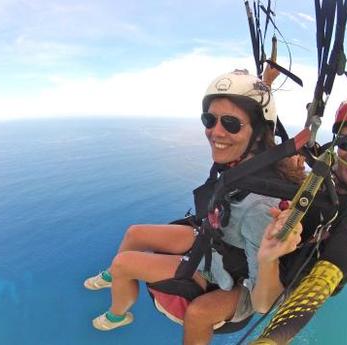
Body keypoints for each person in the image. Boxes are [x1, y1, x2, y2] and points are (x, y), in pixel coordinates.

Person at [83, 69, 305, 342]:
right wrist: (264, 83)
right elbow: (254, 116)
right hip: (218, 239)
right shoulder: (249, 161)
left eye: (231, 124)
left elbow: (262, 301)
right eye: (209, 119)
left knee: (123, 264)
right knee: (135, 233)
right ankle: (114, 278)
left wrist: (267, 259)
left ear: (258, 133)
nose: (215, 131)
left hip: (235, 276)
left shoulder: (260, 208)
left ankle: (119, 314)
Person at [249, 97, 347, 344]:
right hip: (257, 249)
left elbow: (318, 286)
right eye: (346, 143)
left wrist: (269, 341)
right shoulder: (322, 171)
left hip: (275, 282)